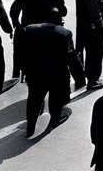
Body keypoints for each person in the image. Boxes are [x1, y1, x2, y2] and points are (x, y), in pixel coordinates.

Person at [22, 9, 84, 137]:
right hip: (57, 73)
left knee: (34, 99)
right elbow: (71, 56)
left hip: (35, 72)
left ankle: (30, 126)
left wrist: (25, 69)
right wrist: (80, 77)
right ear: (59, 21)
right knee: (56, 99)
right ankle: (54, 120)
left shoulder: (29, 29)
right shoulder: (65, 33)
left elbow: (22, 52)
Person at [9, 0, 67, 81]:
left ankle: (19, 71)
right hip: (48, 34)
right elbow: (64, 12)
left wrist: (17, 24)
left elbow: (14, 10)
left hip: (28, 33)